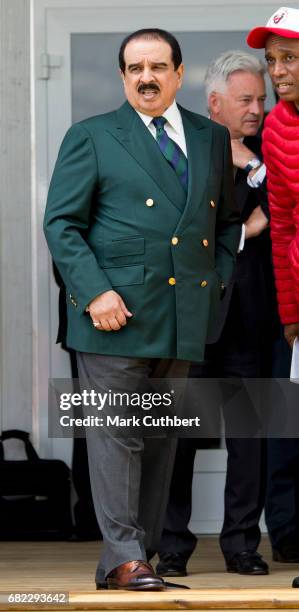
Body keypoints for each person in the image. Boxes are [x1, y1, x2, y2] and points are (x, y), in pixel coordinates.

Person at [43, 29, 240, 590]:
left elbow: (224, 222)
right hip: (113, 315)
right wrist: (95, 293)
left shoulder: (209, 138)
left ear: (180, 73)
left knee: (158, 438)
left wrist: (216, 281)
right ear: (123, 76)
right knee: (118, 435)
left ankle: (134, 561)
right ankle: (127, 556)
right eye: (133, 68)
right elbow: (62, 223)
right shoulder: (93, 136)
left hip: (181, 313)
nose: (145, 77)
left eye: (157, 66)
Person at [156, 50, 279, 578]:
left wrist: (252, 166)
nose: (257, 109)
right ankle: (173, 548)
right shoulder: (182, 150)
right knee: (178, 437)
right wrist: (244, 231)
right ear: (214, 102)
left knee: (250, 441)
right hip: (193, 319)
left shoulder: (268, 154)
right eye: (246, 100)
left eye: (261, 99)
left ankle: (242, 546)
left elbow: (280, 211)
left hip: (252, 321)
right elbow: (186, 230)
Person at [247, 5, 299, 569]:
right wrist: (290, 313)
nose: (277, 72)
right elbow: (283, 223)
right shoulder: (280, 127)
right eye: (272, 61)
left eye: (289, 59)